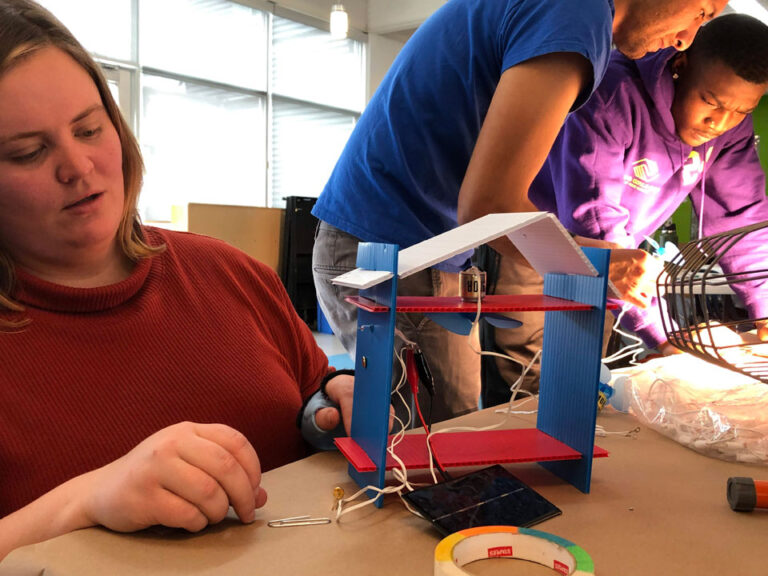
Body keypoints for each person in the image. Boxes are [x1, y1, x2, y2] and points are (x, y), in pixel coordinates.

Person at [0, 0, 356, 561]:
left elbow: (314, 389)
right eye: (28, 152)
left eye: (90, 128)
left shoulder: (229, 273)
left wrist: (333, 403)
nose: (78, 166)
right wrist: (82, 500)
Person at [312, 0, 728, 421]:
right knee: (432, 451)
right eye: (703, 11)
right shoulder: (575, 15)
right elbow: (490, 209)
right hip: (389, 248)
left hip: (422, 248)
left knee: (446, 430)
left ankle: (323, 402)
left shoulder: (572, 16)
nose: (686, 38)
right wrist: (601, 263)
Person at [484, 13, 768, 402]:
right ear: (680, 66)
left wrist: (764, 309)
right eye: (710, 101)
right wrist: (663, 337)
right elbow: (595, 220)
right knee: (528, 386)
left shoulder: (729, 129)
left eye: (741, 111)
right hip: (535, 247)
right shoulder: (610, 92)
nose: (720, 123)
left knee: (582, 390)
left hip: (611, 259)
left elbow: (745, 217)